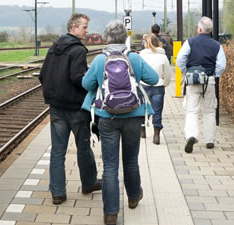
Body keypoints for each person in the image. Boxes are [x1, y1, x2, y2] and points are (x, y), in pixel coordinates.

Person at [81, 21, 159, 225]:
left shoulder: (99, 60)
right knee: (131, 160)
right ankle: (133, 197)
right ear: (125, 37)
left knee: (110, 166)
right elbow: (153, 78)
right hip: (134, 116)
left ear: (107, 38)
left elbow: (86, 84)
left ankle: (110, 214)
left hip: (107, 117)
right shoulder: (134, 57)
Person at [37, 13, 100, 206]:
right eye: (84, 27)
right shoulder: (78, 51)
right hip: (75, 107)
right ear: (74, 27)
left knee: (57, 150)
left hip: (56, 107)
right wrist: (91, 82)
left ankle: (57, 193)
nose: (87, 31)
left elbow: (42, 75)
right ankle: (88, 183)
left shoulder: (54, 47)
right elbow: (76, 78)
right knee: (83, 146)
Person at [175, 16, 226, 153]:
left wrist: (186, 71)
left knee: (191, 110)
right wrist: (213, 75)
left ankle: (191, 135)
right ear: (210, 31)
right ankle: (209, 140)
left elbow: (180, 59)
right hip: (208, 80)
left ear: (199, 29)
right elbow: (221, 65)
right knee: (209, 111)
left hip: (192, 80)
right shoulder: (217, 45)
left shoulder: (190, 42)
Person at [138, 34, 172, 145]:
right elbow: (167, 74)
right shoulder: (163, 57)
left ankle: (142, 130)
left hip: (143, 86)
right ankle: (156, 134)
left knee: (143, 108)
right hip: (159, 87)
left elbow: (137, 72)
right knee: (157, 111)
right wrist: (165, 84)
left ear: (146, 44)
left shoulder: (141, 56)